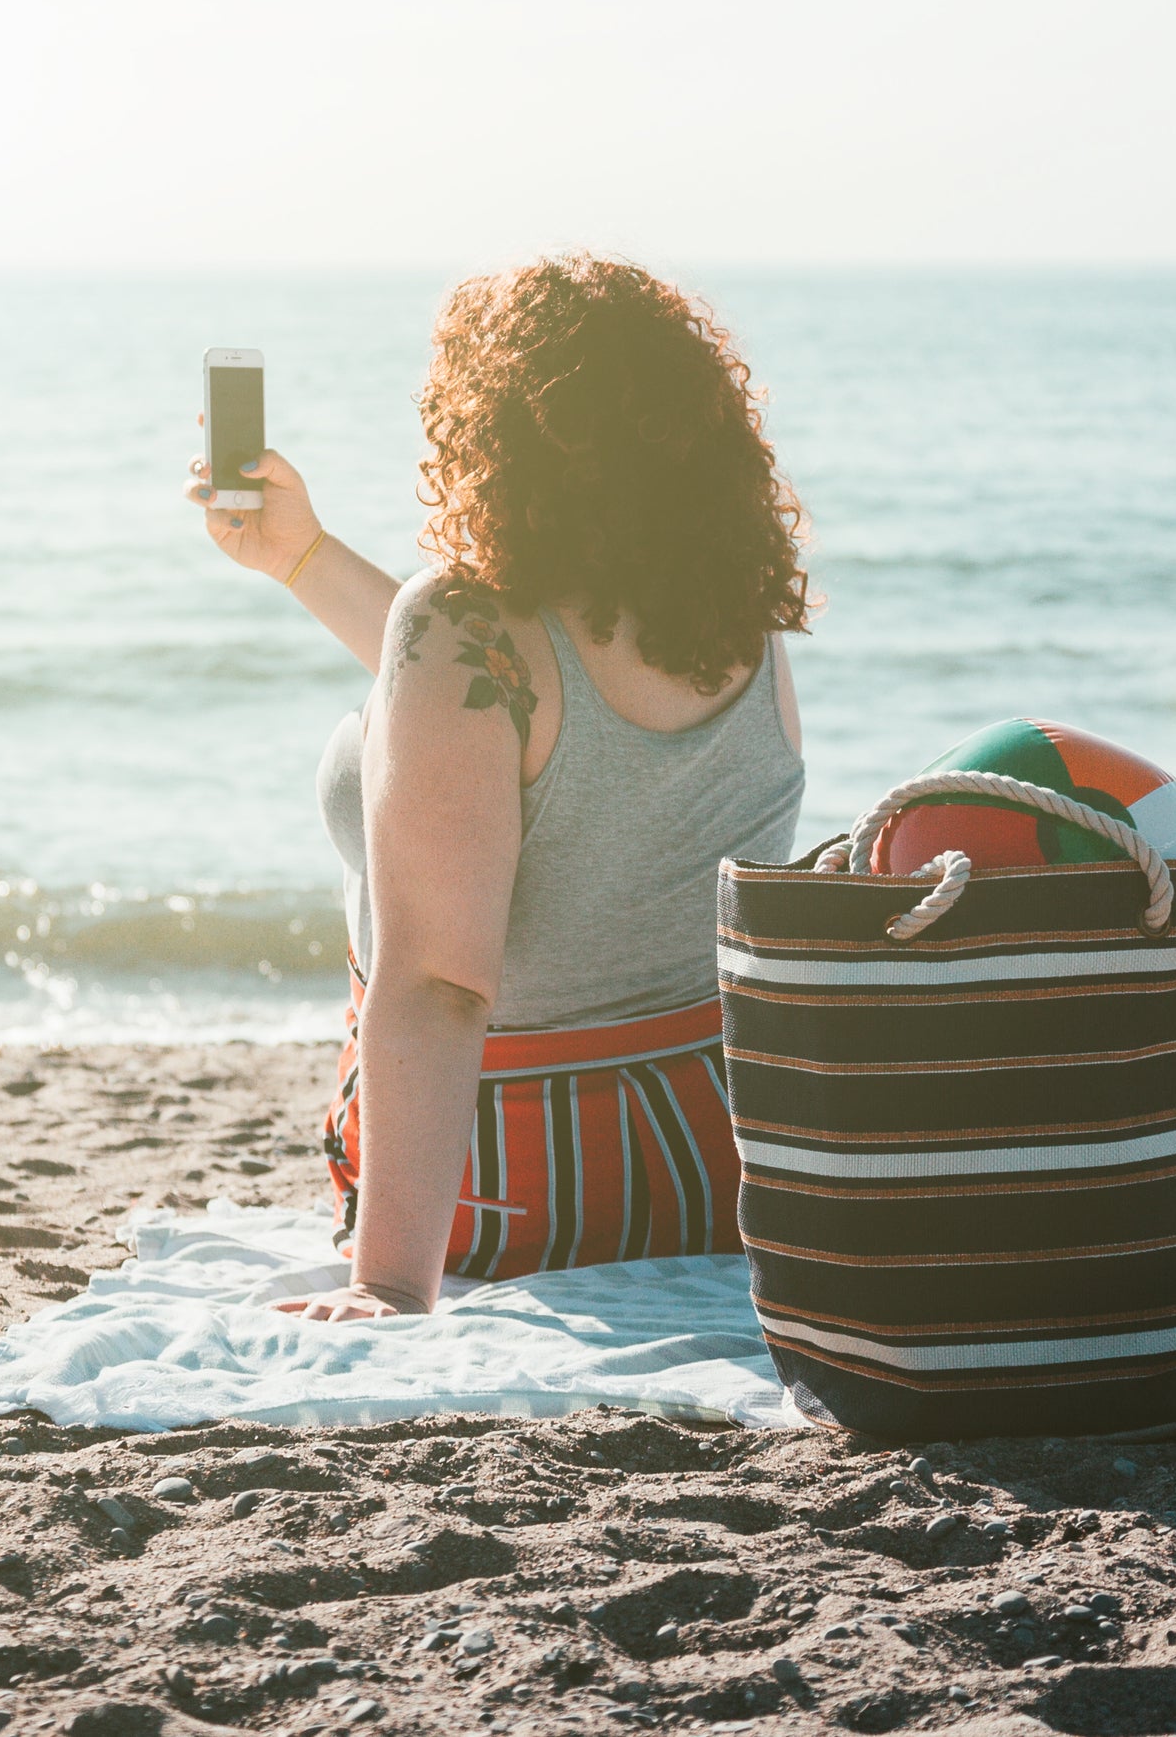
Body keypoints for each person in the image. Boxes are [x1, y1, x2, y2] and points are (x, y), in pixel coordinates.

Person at [188, 256, 813, 1322]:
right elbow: (483, 702)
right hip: (717, 1165)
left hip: (521, 1189)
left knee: (389, 842)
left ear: (488, 433)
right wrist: (301, 558)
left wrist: (388, 1283)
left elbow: (442, 983)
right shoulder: (728, 616)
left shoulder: (463, 625)